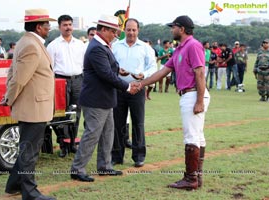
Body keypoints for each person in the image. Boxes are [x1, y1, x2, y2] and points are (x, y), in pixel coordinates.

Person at [136, 15, 210, 190]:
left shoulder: (193, 45)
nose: (172, 30)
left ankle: (191, 178)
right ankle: (196, 176)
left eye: (173, 27)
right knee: (197, 136)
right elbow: (162, 72)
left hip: (193, 94)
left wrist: (199, 100)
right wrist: (141, 84)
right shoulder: (179, 49)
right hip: (189, 94)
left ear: (181, 29)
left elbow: (199, 74)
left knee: (191, 137)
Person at [70, 14, 138, 182]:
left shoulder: (103, 46)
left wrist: (118, 70)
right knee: (92, 134)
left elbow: (108, 69)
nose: (116, 35)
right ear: (104, 30)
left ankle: (105, 166)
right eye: (114, 31)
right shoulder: (96, 48)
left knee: (108, 134)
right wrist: (127, 86)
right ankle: (77, 168)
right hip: (96, 100)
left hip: (105, 99)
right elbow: (105, 74)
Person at [0, 8, 57, 200]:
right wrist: (9, 98)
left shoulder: (27, 42)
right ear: (39, 26)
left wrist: (9, 96)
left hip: (34, 106)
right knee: (29, 152)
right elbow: (19, 79)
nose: (49, 28)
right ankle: (30, 193)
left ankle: (14, 185)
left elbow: (12, 73)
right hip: (33, 108)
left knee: (27, 149)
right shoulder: (32, 45)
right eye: (47, 24)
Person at [111, 18, 157, 167]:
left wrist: (143, 75)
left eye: (134, 30)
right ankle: (117, 156)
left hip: (137, 88)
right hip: (119, 88)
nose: (131, 33)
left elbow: (153, 67)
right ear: (124, 30)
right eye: (128, 29)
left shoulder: (145, 48)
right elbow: (109, 65)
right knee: (118, 123)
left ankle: (138, 156)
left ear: (138, 31)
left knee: (138, 123)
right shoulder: (115, 46)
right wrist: (118, 70)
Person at [47, 15, 85, 157]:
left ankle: (73, 143)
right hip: (60, 81)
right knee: (60, 114)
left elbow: (84, 65)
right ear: (59, 27)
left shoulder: (80, 44)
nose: (68, 27)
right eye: (65, 25)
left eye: (70, 24)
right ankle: (63, 144)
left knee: (76, 113)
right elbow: (49, 68)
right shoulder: (53, 45)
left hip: (78, 81)